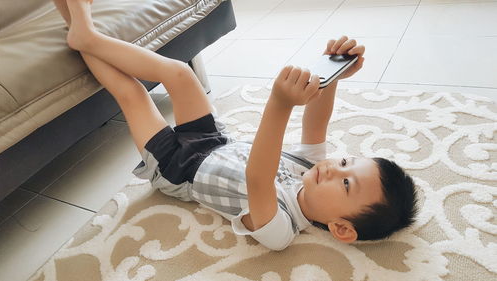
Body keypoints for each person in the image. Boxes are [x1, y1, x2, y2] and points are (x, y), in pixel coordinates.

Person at [54, 0, 418, 251]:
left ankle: (81, 31)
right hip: (213, 143)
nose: (332, 167)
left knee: (133, 95)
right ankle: (82, 31)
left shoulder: (281, 229)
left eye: (346, 182)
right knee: (180, 73)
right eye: (345, 162)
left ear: (342, 228)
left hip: (178, 170)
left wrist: (279, 104)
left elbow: (256, 179)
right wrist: (331, 74)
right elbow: (316, 124)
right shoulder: (311, 169)